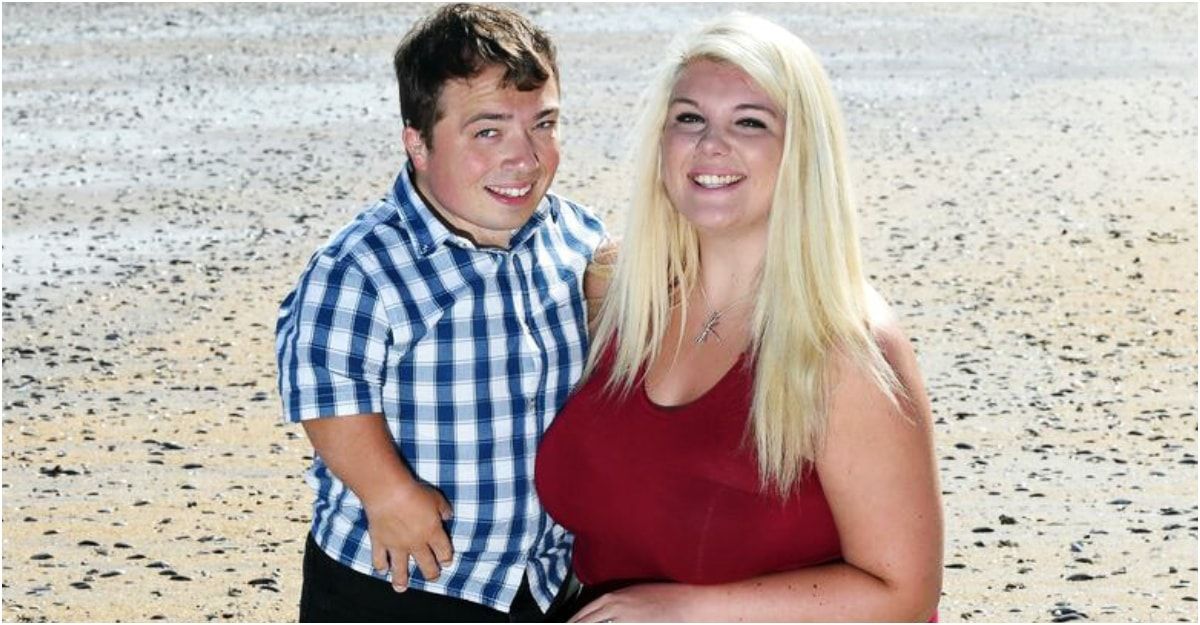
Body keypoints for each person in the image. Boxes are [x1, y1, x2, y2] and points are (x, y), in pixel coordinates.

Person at [535, 13, 943, 622]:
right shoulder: (618, 292)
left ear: (802, 152)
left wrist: (685, 611)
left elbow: (903, 596)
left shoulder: (847, 346)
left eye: (750, 122)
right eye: (689, 119)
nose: (710, 145)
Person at [275, 4, 607, 621]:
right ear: (419, 143)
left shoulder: (577, 239)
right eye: (487, 132)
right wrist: (386, 491)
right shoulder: (365, 265)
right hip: (401, 574)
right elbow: (325, 387)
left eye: (543, 124)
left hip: (541, 573)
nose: (525, 157)